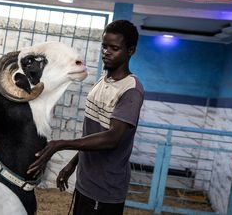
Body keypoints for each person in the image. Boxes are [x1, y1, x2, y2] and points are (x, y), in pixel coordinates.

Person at [27, 20, 144, 215]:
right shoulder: (103, 81)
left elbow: (112, 138)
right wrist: (72, 165)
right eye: (104, 46)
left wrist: (60, 144)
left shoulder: (131, 90)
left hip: (105, 189)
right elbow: (94, 135)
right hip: (86, 182)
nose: (106, 52)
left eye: (114, 48)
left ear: (130, 50)